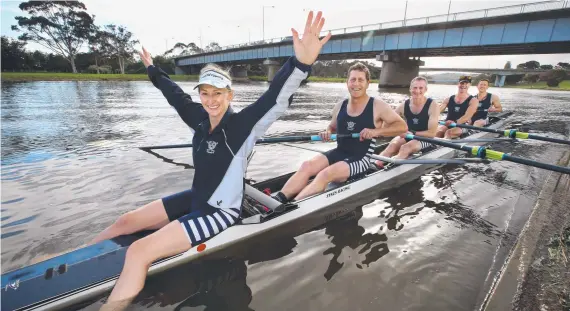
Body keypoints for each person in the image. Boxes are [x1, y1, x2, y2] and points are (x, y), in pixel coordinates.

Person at [90, 11, 332, 308]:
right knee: (124, 222)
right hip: (197, 198)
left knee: (139, 252)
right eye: (205, 93)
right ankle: (79, 257)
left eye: (218, 93)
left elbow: (274, 97)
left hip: (220, 213)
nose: (210, 100)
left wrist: (300, 63)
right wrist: (153, 70)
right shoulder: (200, 120)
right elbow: (176, 96)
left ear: (229, 95)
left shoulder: (243, 126)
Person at [271, 62, 407, 203]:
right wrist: (327, 132)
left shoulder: (378, 106)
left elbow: (402, 127)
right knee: (307, 165)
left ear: (368, 83)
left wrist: (376, 131)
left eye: (361, 80)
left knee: (325, 174)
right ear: (347, 82)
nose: (356, 84)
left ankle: (292, 206)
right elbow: (332, 127)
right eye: (352, 79)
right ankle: (279, 199)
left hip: (361, 159)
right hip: (340, 152)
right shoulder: (340, 106)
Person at [374, 76, 439, 168]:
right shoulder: (404, 105)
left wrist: (412, 133)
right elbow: (388, 122)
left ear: (425, 89)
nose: (417, 91)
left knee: (405, 148)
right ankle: (376, 164)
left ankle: (390, 167)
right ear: (410, 89)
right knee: (392, 146)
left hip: (426, 138)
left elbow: (432, 133)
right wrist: (378, 129)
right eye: (415, 88)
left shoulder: (433, 105)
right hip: (409, 135)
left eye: (421, 88)